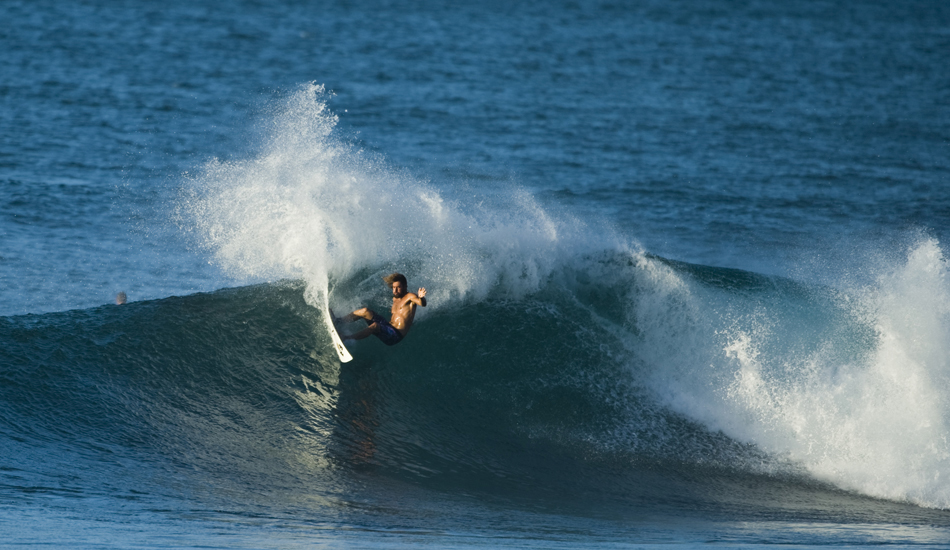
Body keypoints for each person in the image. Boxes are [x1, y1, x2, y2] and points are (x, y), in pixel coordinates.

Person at [338, 273, 427, 346]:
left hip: (395, 335)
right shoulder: (395, 299)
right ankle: (339, 321)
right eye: (393, 287)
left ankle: (347, 338)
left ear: (405, 286)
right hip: (388, 326)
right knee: (365, 311)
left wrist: (421, 297)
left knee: (375, 326)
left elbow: (422, 303)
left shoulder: (410, 297)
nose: (395, 290)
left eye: (398, 287)